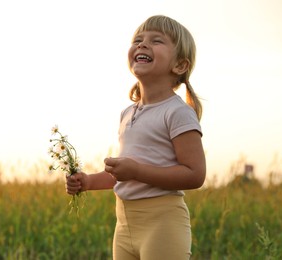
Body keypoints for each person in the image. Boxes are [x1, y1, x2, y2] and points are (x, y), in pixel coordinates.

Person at [66, 14, 206, 260]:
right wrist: (88, 182)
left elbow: (195, 175)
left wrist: (135, 171)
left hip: (163, 223)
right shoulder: (128, 113)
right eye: (138, 40)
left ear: (180, 65)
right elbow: (125, 176)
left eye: (156, 41)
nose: (142, 44)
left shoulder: (178, 112)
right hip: (124, 225)